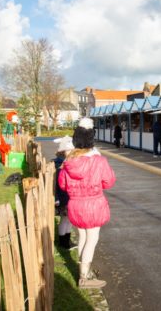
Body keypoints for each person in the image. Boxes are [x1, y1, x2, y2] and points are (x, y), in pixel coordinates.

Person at [58, 117, 116, 289]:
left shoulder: (68, 162)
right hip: (93, 204)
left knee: (83, 236)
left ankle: (83, 270)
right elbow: (109, 181)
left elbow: (63, 184)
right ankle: (84, 277)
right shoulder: (98, 161)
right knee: (92, 239)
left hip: (75, 205)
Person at [53, 136, 75, 249]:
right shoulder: (61, 165)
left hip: (66, 196)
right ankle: (63, 242)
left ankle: (67, 240)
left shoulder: (62, 163)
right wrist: (57, 198)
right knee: (65, 219)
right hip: (64, 197)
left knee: (68, 219)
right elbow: (59, 183)